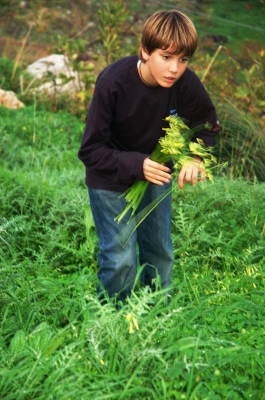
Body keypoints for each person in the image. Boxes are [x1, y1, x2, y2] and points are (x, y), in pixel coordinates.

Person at [78, 10, 219, 305]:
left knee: (161, 253)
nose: (174, 69)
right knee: (120, 259)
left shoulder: (185, 83)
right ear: (145, 51)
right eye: (166, 57)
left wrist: (196, 157)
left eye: (183, 60)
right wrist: (136, 164)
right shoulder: (113, 83)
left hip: (157, 176)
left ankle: (155, 317)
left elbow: (208, 124)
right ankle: (113, 322)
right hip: (110, 179)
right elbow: (90, 150)